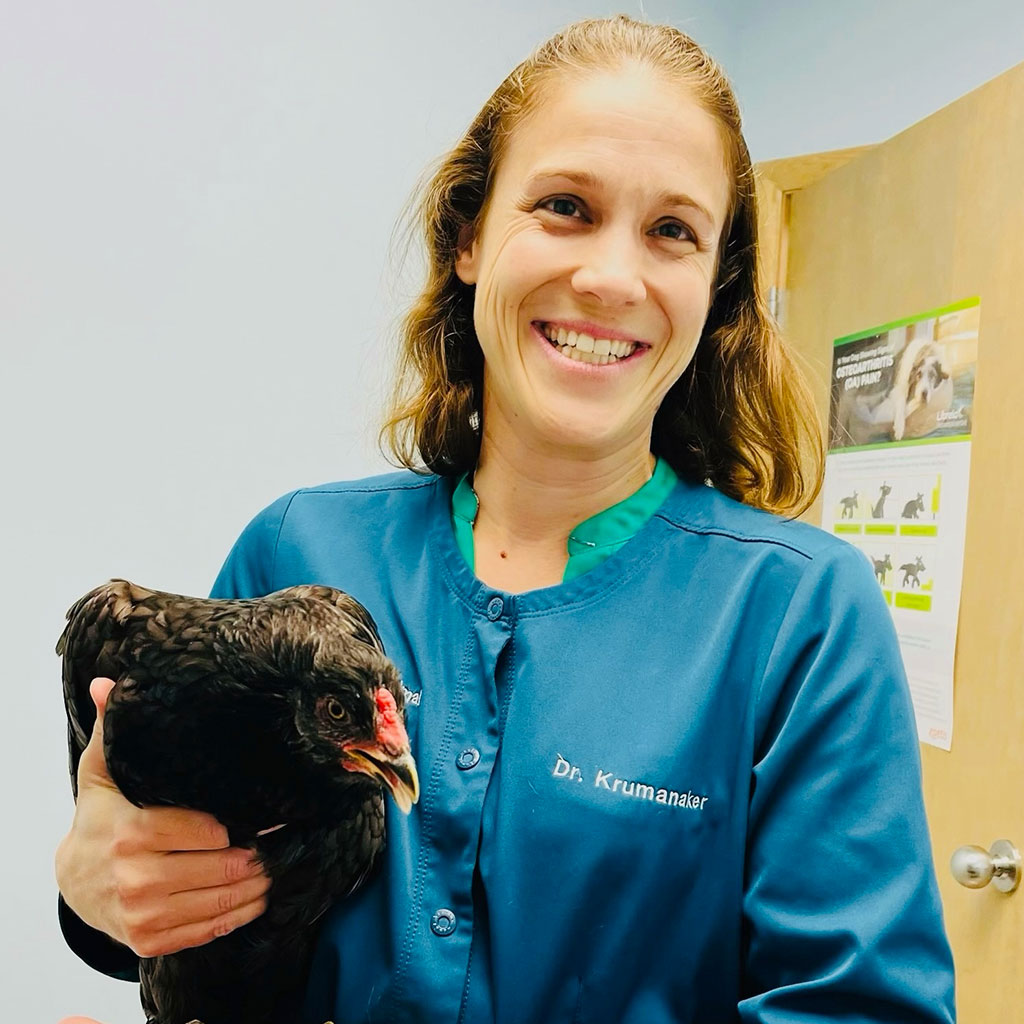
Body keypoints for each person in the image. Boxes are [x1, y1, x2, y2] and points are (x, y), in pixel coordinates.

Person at [55, 15, 957, 1023]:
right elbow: (188, 903)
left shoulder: (798, 614)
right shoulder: (293, 551)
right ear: (469, 236)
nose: (611, 277)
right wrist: (98, 889)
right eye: (566, 206)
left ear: (714, 290)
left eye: (672, 231)